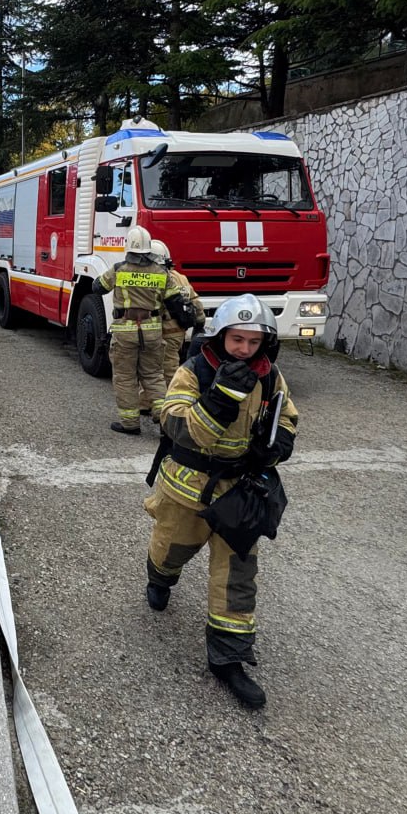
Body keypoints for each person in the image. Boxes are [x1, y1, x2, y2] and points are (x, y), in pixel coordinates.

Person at [143, 293, 298, 709]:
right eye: (237, 339)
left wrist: (279, 444)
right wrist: (220, 400)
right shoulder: (194, 371)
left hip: (240, 493)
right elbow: (175, 423)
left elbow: (286, 415)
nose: (245, 349)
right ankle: (160, 578)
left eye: (254, 341)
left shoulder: (269, 375)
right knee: (171, 548)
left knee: (237, 574)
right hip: (186, 490)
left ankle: (228, 658)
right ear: (221, 336)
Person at [95, 225, 187, 434]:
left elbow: (97, 287)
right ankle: (165, 421)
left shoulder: (119, 269)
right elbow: (175, 302)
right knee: (154, 375)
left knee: (125, 377)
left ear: (129, 246)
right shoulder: (162, 272)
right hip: (153, 332)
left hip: (125, 333)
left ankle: (130, 423)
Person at [140, 239, 204, 419]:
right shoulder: (180, 277)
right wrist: (199, 323)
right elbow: (194, 302)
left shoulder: (155, 278)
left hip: (161, 331)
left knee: (157, 370)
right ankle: (146, 402)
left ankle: (169, 407)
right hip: (178, 332)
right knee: (163, 367)